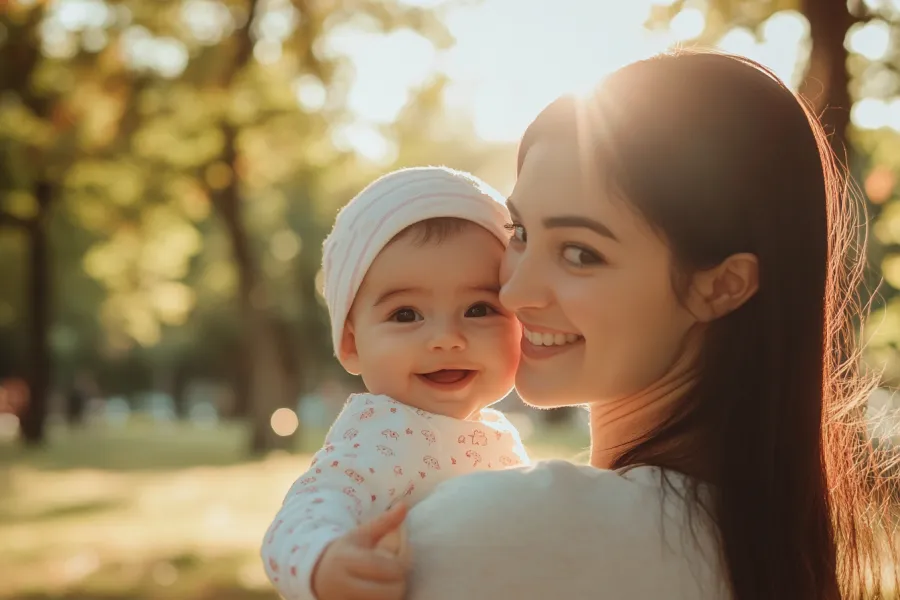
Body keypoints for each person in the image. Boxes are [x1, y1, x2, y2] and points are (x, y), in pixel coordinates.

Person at [401, 50, 898, 600]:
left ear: (721, 285)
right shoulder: (775, 551)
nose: (514, 291)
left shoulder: (503, 529)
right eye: (519, 231)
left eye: (580, 253)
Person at [261, 166, 529, 600]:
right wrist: (325, 562)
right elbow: (300, 518)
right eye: (406, 314)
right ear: (350, 344)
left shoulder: (494, 432)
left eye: (479, 309)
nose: (446, 339)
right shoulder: (381, 434)